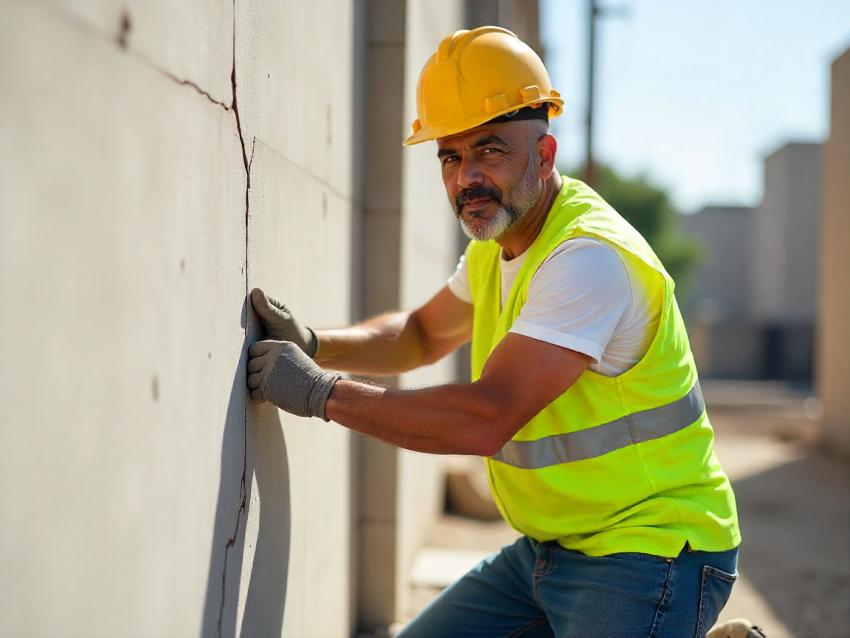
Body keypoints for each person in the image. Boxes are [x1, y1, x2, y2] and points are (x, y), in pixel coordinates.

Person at [247, 26, 741, 637]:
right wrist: (316, 343)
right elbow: (422, 334)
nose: (466, 178)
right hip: (551, 547)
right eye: (450, 157)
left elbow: (486, 417)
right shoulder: (498, 241)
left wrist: (322, 394)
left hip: (650, 550)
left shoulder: (587, 259)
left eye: (490, 151)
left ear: (545, 155)